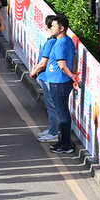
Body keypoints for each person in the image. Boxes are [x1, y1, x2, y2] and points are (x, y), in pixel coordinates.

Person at [30, 14, 77, 154]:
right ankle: (63, 141)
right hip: (61, 82)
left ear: (61, 28)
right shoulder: (67, 41)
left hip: (59, 83)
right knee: (62, 113)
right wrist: (72, 75)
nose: (51, 27)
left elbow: (62, 65)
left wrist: (71, 76)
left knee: (62, 114)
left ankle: (66, 144)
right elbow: (74, 59)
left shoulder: (60, 43)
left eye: (54, 26)